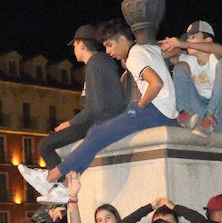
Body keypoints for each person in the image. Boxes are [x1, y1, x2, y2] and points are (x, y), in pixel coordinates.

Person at [35, 19, 177, 204]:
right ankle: (67, 185)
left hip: (152, 112)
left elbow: (156, 83)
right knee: (96, 132)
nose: (109, 51)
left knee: (98, 134)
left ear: (120, 38)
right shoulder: (145, 49)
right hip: (159, 110)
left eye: (110, 45)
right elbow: (168, 58)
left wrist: (142, 104)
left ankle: (52, 177)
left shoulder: (134, 57)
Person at [20, 24, 125, 188]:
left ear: (81, 44)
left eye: (74, 45)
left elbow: (95, 107)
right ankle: (59, 185)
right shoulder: (99, 64)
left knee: (46, 145)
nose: (73, 50)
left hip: (99, 122)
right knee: (50, 144)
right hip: (100, 119)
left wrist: (70, 123)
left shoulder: (95, 65)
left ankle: (59, 186)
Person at [159, 20, 222, 135]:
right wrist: (173, 46)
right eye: (188, 38)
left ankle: (210, 116)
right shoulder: (188, 60)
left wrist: (184, 44)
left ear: (208, 41)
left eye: (193, 37)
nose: (188, 41)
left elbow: (219, 49)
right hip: (200, 114)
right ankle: (184, 116)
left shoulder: (217, 57)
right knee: (180, 67)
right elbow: (162, 56)